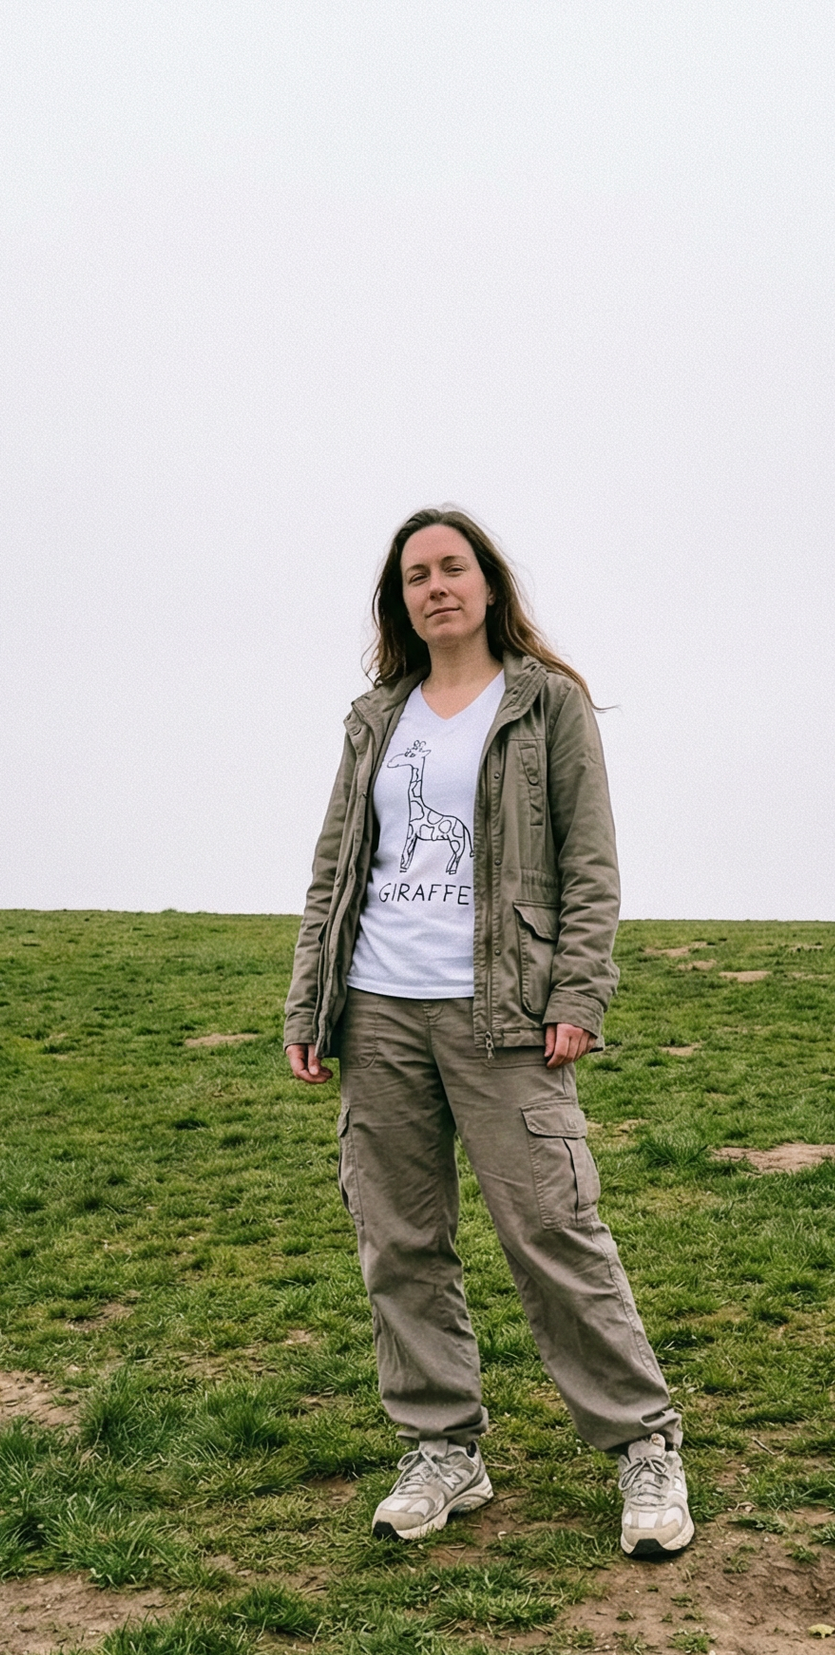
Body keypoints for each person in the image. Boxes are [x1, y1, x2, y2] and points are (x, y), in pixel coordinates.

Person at [284, 507, 691, 1560]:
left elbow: (589, 865)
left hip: (502, 1009)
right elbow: (336, 867)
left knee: (551, 1230)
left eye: (451, 566)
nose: (435, 586)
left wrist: (576, 994)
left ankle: (643, 1445)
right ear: (399, 598)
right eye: (414, 573)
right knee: (399, 1242)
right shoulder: (377, 716)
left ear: (486, 582)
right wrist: (309, 1002)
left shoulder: (545, 703)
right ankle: (440, 1448)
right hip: (377, 1009)